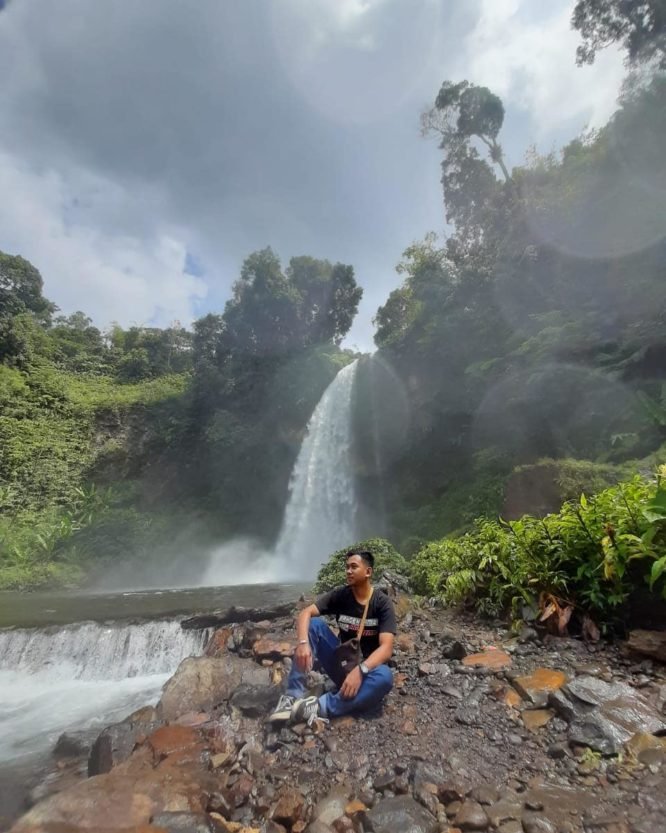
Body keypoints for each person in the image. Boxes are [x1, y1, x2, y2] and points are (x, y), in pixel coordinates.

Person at [269, 550, 396, 726]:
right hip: (343, 665)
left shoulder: (382, 603)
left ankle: (321, 706)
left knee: (385, 677)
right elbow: (305, 613)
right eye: (347, 567)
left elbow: (387, 648)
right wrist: (303, 643)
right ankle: (292, 697)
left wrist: (360, 671)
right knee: (314, 625)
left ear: (368, 572)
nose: (348, 571)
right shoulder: (341, 595)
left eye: (354, 567)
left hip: (367, 674)